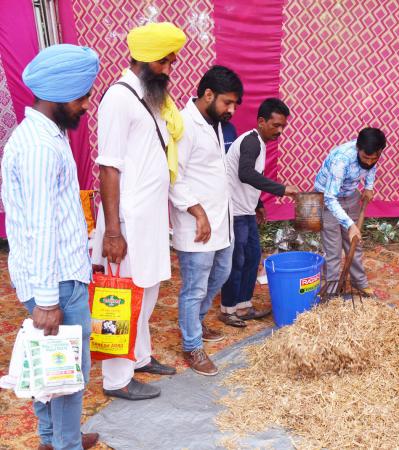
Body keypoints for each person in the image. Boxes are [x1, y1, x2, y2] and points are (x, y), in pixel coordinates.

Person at [1, 44, 100, 450]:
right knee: (67, 370)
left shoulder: (41, 134)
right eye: (82, 98)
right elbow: (41, 227)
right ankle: (66, 445)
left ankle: (55, 438)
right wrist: (46, 300)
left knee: (49, 363)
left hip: (55, 274)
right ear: (59, 95)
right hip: (54, 282)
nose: (85, 106)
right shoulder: (40, 147)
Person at [91, 22, 187, 400]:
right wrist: (113, 232)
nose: (171, 68)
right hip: (126, 222)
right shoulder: (118, 98)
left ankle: (140, 357)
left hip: (149, 220)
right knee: (120, 297)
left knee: (145, 292)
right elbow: (109, 167)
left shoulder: (147, 96)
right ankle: (116, 379)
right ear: (147, 60)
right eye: (166, 61)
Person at [169, 66, 243, 376]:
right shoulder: (185, 124)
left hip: (220, 220)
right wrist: (197, 212)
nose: (232, 110)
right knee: (195, 287)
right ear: (208, 95)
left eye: (235, 104)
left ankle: (195, 322)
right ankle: (192, 346)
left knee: (222, 272)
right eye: (228, 102)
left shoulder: (213, 122)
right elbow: (173, 176)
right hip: (197, 224)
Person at [221, 98, 299, 326]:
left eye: (283, 126)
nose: (280, 131)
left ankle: (243, 305)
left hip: (245, 210)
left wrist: (258, 205)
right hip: (233, 210)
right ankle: (228, 309)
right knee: (238, 260)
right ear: (262, 121)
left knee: (253, 256)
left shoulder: (259, 143)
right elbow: (245, 173)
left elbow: (246, 178)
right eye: (276, 125)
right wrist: (281, 189)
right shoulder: (251, 142)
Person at [314, 127, 387, 296]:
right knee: (333, 249)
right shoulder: (341, 160)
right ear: (357, 149)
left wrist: (368, 187)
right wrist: (349, 224)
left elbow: (371, 168)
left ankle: (359, 283)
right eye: (365, 158)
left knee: (354, 244)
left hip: (350, 195)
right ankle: (331, 290)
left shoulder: (372, 155)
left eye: (373, 158)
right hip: (327, 198)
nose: (369, 162)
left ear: (380, 151)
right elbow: (330, 198)